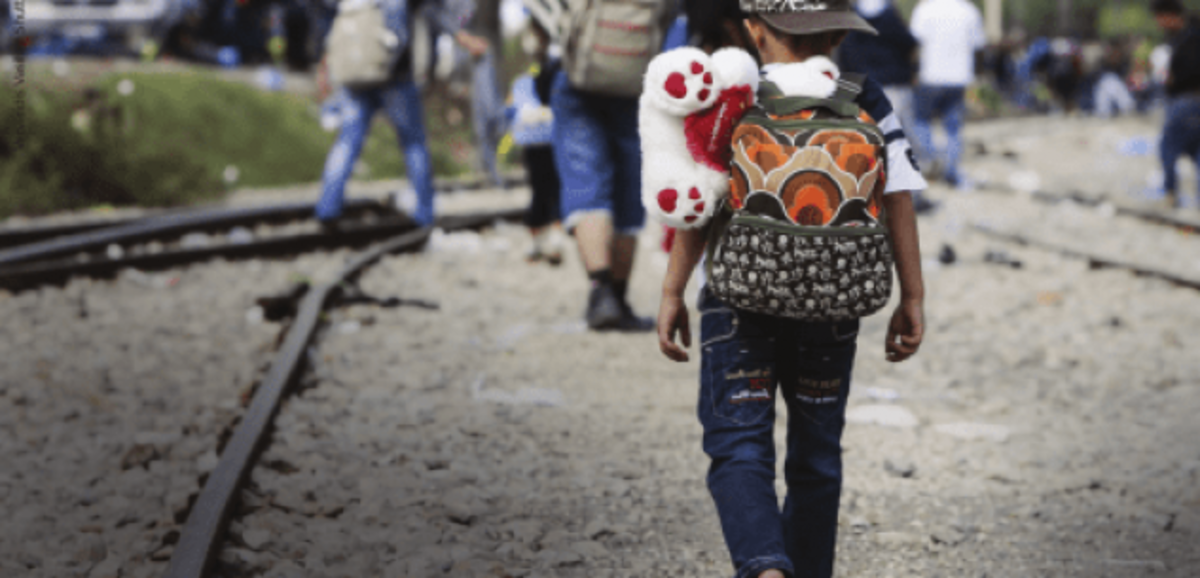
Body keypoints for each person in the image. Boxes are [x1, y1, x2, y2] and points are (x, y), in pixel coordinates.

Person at [655, 2, 927, 577]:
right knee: (817, 457)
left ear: (754, 31)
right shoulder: (864, 95)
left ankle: (766, 568)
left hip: (736, 298)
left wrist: (672, 290)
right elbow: (898, 196)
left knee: (738, 445)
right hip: (832, 303)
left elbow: (701, 199)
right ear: (837, 34)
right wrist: (912, 297)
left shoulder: (733, 96)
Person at [550, 0, 675, 331]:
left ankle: (601, 291)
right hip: (634, 79)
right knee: (628, 188)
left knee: (584, 179)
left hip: (577, 76)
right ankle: (619, 298)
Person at [314, 0, 490, 227]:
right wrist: (463, 38)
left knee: (346, 142)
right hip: (396, 78)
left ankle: (327, 208)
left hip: (355, 77)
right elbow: (434, 13)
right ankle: (425, 214)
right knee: (414, 143)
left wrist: (325, 65)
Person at [505, 17, 565, 264]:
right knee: (544, 189)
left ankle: (550, 240)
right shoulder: (527, 79)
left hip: (547, 140)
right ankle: (542, 241)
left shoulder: (553, 70)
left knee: (548, 189)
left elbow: (510, 113)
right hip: (538, 141)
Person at [909, 0, 985, 188]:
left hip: (930, 76)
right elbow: (979, 46)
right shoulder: (969, 11)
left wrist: (911, 73)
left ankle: (930, 162)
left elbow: (913, 44)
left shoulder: (925, 9)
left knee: (921, 121)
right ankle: (951, 172)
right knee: (953, 128)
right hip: (959, 77)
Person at [1153, 0, 1200, 210]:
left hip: (1187, 101)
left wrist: (1172, 80)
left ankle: (1171, 196)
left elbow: (1188, 72)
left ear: (1169, 15)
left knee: (1168, 148)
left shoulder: (1189, 38)